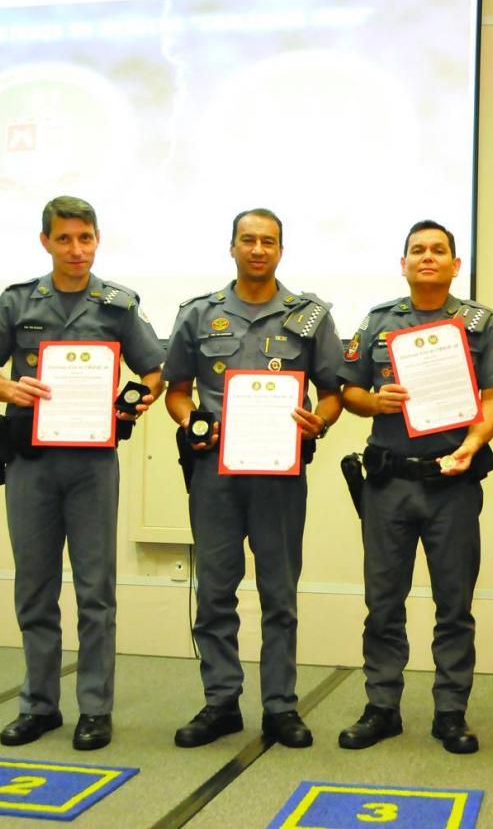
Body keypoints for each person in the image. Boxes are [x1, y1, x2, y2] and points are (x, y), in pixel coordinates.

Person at [0, 195, 165, 751]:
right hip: (31, 463)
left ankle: (95, 709)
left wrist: (135, 401)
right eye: (64, 239)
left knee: (96, 592)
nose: (76, 250)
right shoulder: (17, 301)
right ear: (46, 242)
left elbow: (155, 371)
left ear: (97, 240)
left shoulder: (118, 305)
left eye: (85, 238)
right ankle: (39, 705)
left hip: (91, 465)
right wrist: (11, 388)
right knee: (35, 588)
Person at [163, 208, 344, 749]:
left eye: (268, 241)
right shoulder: (199, 314)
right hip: (214, 474)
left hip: (279, 477)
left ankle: (280, 707)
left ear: (281, 250)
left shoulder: (309, 316)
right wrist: (189, 421)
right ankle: (221, 702)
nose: (258, 249)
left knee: (279, 594)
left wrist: (320, 420)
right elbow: (176, 391)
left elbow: (333, 393)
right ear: (233, 248)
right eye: (248, 240)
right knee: (215, 592)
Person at [337, 219, 493, 754]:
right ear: (404, 264)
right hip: (388, 483)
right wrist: (375, 402)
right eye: (418, 250)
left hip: (451, 482)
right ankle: (382, 706)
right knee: (382, 603)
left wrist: (473, 445)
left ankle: (451, 712)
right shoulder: (378, 322)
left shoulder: (479, 323)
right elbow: (348, 392)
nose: (428, 257)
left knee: (454, 605)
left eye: (439, 250)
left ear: (456, 265)